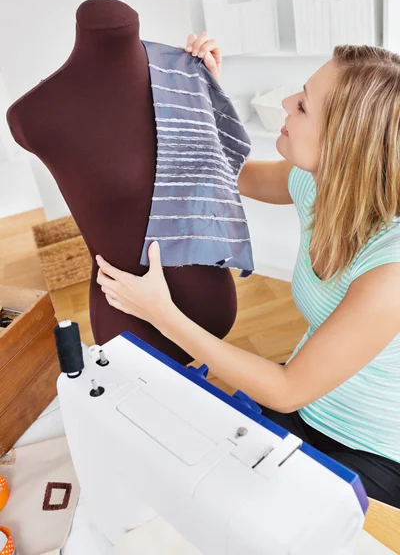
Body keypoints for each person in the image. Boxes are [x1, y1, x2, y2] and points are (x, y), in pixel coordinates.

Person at [96, 32, 400, 507]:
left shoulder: (392, 273)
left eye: (303, 105)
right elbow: (232, 171)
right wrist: (207, 91)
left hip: (372, 449)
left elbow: (287, 389)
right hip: (308, 402)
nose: (285, 101)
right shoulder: (317, 181)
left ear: (345, 141)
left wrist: (162, 312)